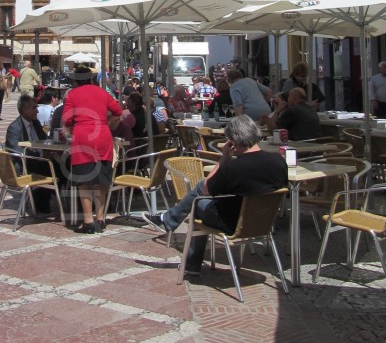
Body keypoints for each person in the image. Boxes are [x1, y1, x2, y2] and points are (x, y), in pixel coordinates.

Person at [141, 115, 288, 277]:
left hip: (232, 222)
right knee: (203, 193)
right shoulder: (279, 162)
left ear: (234, 141)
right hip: (264, 222)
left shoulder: (233, 168)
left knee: (198, 202)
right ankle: (168, 220)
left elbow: (206, 189)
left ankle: (191, 263)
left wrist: (224, 158)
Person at [61, 65, 122, 233]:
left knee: (85, 181)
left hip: (83, 137)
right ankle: (100, 219)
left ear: (75, 81)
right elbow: (118, 111)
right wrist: (108, 120)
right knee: (102, 180)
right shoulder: (103, 92)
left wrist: (72, 128)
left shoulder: (72, 94)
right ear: (91, 79)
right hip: (102, 134)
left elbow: (66, 118)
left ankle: (88, 221)